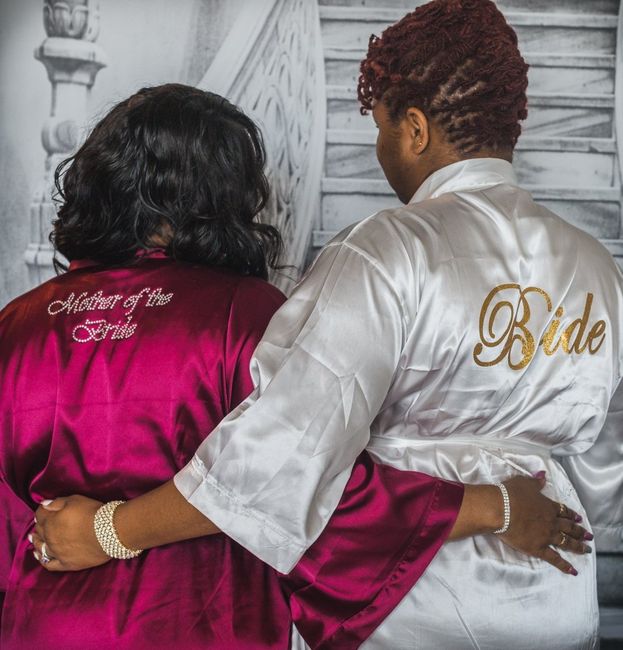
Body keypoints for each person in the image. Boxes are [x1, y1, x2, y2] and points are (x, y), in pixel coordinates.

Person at [31, 0, 617, 641]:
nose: (380, 148)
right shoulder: (596, 264)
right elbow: (603, 473)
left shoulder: (388, 249)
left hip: (421, 595)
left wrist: (109, 530)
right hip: (558, 584)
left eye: (382, 127)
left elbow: (286, 449)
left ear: (415, 130)